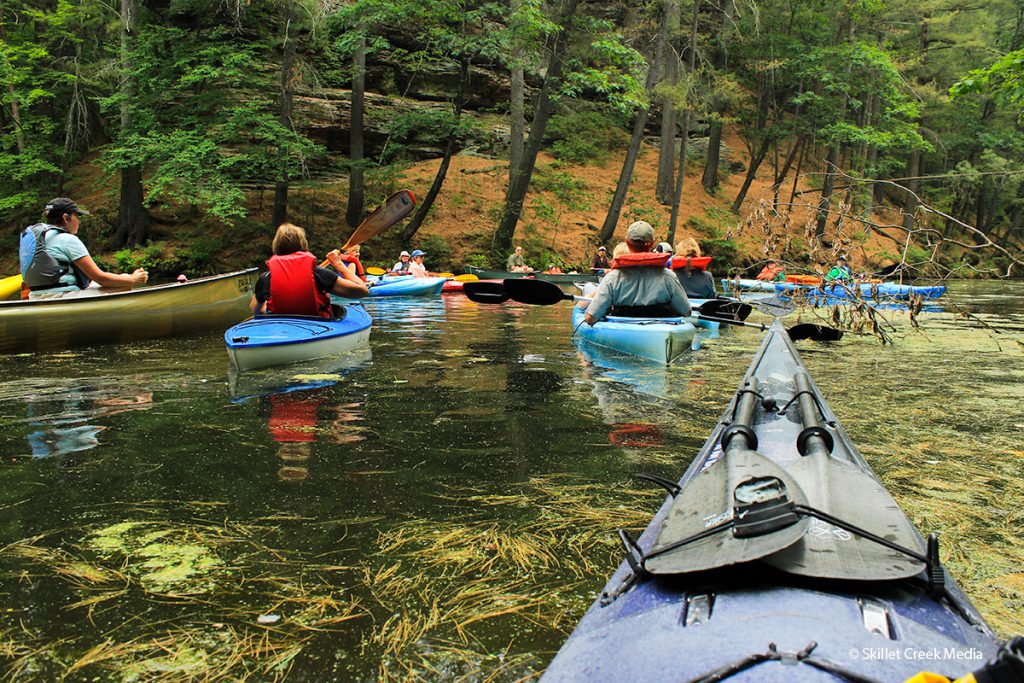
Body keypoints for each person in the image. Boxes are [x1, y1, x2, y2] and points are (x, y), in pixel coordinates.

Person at [19, 197, 148, 299]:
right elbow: (101, 278)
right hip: (62, 298)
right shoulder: (68, 239)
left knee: (114, 280)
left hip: (35, 297)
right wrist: (132, 279)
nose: (79, 221)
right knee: (124, 285)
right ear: (66, 218)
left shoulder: (37, 240)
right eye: (77, 216)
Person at [584, 221, 691, 325]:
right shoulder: (668, 277)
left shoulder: (612, 278)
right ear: (652, 244)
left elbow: (590, 318)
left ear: (627, 242)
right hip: (660, 332)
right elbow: (686, 311)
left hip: (623, 333)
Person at [252, 223, 368, 317]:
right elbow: (362, 290)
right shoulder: (319, 274)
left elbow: (257, 311)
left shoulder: (265, 278)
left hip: (280, 331)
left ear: (276, 246)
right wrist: (338, 264)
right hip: (318, 328)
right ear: (303, 244)